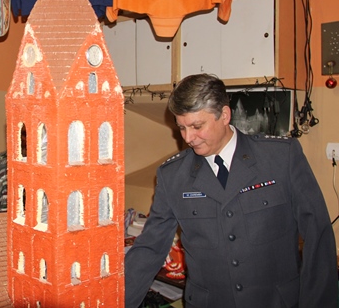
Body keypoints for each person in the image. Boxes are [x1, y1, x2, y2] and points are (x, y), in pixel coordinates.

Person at [125, 74, 337, 308]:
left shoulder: (280, 158)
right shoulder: (173, 176)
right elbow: (150, 247)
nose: (188, 138)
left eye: (197, 126)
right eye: (181, 127)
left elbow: (318, 235)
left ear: (225, 115)